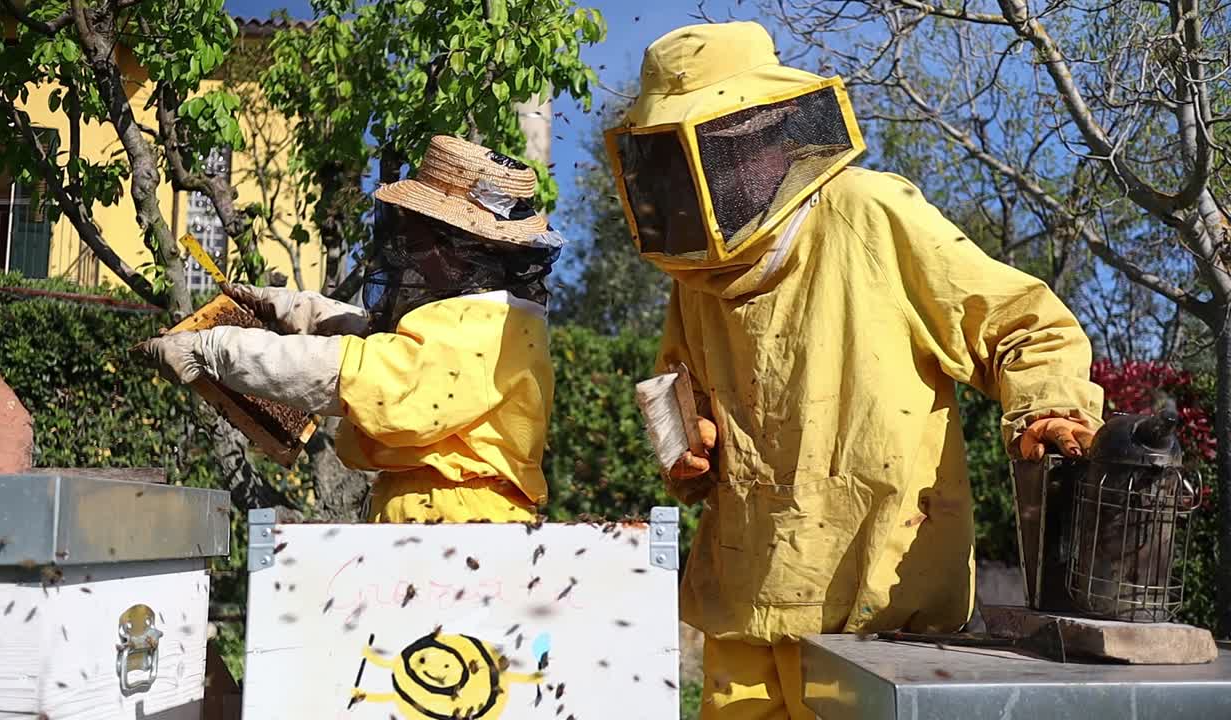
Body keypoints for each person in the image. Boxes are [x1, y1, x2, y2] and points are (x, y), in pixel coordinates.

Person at [604, 21, 1103, 719]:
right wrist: (684, 455)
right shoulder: (693, 280)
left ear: (770, 132)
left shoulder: (872, 214)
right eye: (683, 158)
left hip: (880, 614)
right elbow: (674, 396)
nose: (707, 174)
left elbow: (1023, 321)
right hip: (744, 608)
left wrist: (1051, 408)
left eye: (723, 148)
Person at [143, 135, 562, 524]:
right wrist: (298, 310)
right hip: (437, 515)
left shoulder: (495, 327)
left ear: (463, 245)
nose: (409, 251)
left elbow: (370, 375)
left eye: (420, 238)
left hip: (462, 524)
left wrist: (214, 349)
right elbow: (390, 347)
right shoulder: (478, 320)